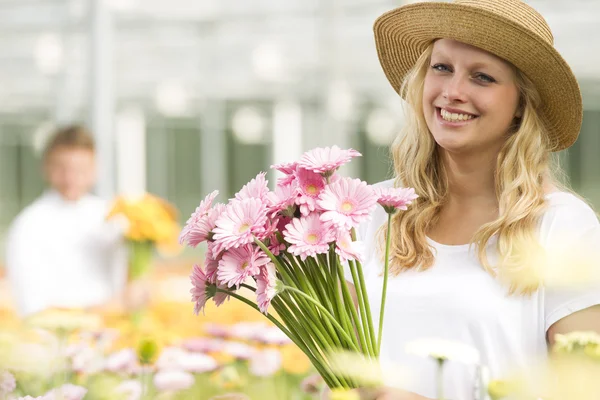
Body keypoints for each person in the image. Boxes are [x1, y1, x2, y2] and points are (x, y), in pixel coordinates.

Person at [347, 0, 600, 399]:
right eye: (441, 67)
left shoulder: (562, 226)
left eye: (482, 77)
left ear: (521, 106)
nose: (452, 92)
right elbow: (339, 369)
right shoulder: (372, 212)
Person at [5, 125, 127, 317]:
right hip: (55, 338)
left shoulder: (112, 217)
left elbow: (125, 283)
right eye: (62, 168)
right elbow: (32, 307)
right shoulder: (28, 226)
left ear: (95, 169)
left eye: (80, 169)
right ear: (46, 168)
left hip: (115, 330)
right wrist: (102, 310)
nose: (71, 178)